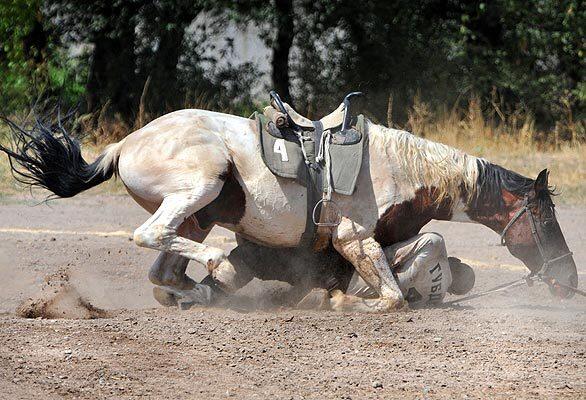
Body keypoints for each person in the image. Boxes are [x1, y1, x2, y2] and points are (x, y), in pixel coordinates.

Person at [159, 232, 475, 309]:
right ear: (454, 288)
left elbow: (385, 259)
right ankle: (216, 298)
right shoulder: (434, 301)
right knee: (276, 292)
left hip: (342, 270)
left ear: (456, 265)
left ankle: (195, 297)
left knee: (255, 255)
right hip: (344, 290)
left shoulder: (434, 246)